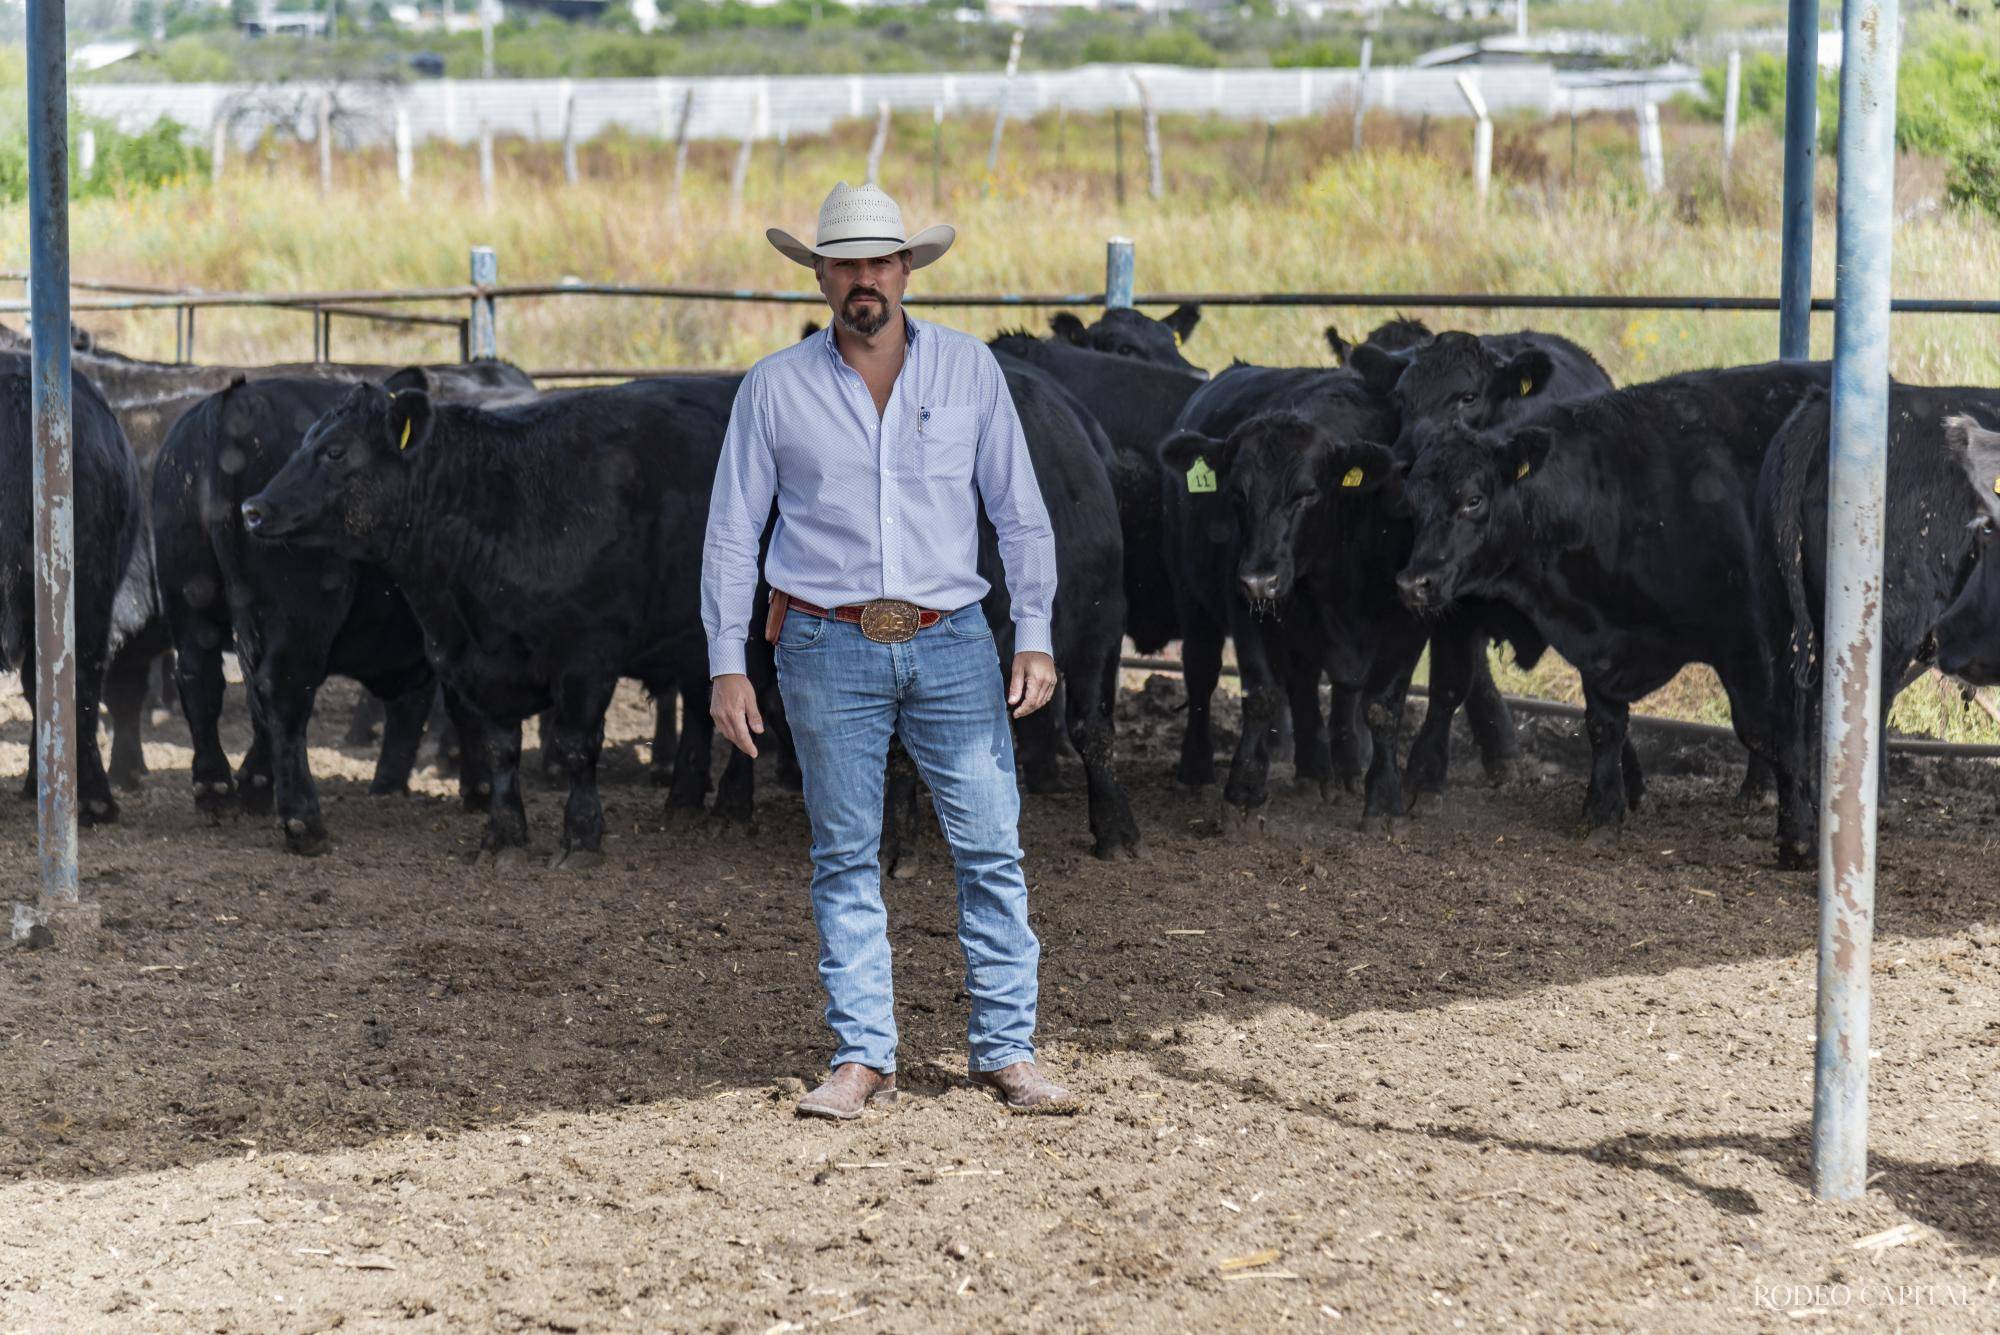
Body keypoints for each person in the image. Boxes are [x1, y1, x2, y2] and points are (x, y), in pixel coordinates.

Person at [701, 181, 1074, 1119]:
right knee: (843, 851)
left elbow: (1020, 515)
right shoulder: (773, 389)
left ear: (907, 268)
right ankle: (862, 1052)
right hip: (825, 641)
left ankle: (1007, 1047)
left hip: (951, 640)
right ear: (819, 274)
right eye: (844, 263)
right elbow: (731, 534)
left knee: (990, 843)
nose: (863, 278)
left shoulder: (970, 372)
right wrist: (726, 659)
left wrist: (1034, 631)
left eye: (879, 261)